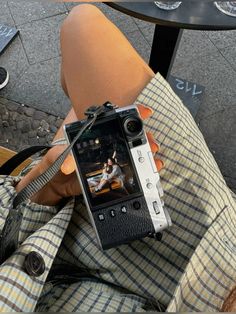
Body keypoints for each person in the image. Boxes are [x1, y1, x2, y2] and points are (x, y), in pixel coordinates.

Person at [0, 4, 235, 312]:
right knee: (86, 45)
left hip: (47, 230)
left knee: (90, 89)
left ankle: (74, 124)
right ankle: (75, 124)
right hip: (218, 261)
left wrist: (38, 186)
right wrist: (45, 185)